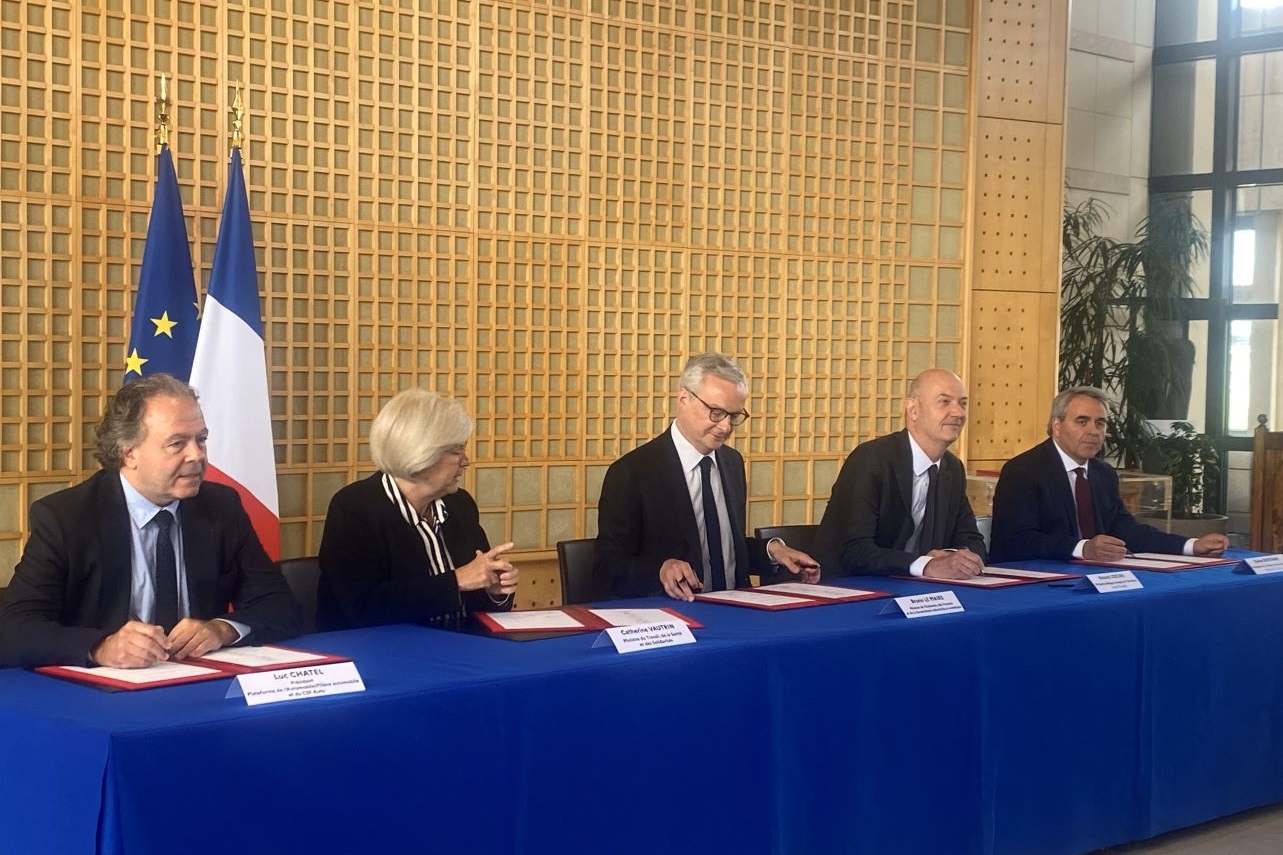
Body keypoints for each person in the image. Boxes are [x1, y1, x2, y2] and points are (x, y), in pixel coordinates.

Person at [0, 374, 301, 669]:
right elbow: (14, 631)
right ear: (129, 453)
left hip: (196, 683)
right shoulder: (68, 518)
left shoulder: (220, 506)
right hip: (100, 697)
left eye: (201, 439)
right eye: (177, 443)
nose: (197, 455)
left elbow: (280, 605)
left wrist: (221, 629)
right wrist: (100, 646)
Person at [593, 353, 820, 601]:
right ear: (683, 399)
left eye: (734, 416)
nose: (725, 427)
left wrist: (772, 550)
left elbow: (723, 550)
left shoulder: (732, 463)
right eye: (716, 412)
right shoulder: (633, 472)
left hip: (737, 612)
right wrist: (660, 569)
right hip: (673, 618)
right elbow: (607, 569)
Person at [317, 389, 518, 630]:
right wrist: (456, 581)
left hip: (461, 649)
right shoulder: (354, 508)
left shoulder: (460, 505)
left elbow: (477, 601)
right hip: (383, 655)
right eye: (456, 451)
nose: (466, 460)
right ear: (421, 455)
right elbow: (362, 608)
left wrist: (494, 590)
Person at [988, 386, 1229, 563]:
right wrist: (1083, 548)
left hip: (1094, 577)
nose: (1093, 431)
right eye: (1082, 422)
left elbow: (1126, 530)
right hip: (1036, 582)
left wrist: (1191, 545)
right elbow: (1017, 540)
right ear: (1057, 426)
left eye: (1100, 423)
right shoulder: (1023, 471)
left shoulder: (1103, 474)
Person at [812, 368, 987, 579]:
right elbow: (855, 551)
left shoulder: (952, 468)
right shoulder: (871, 460)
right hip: (852, 589)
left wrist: (950, 557)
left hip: (919, 592)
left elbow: (974, 542)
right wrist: (927, 566)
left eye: (963, 403)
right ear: (913, 410)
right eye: (944, 402)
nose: (958, 412)